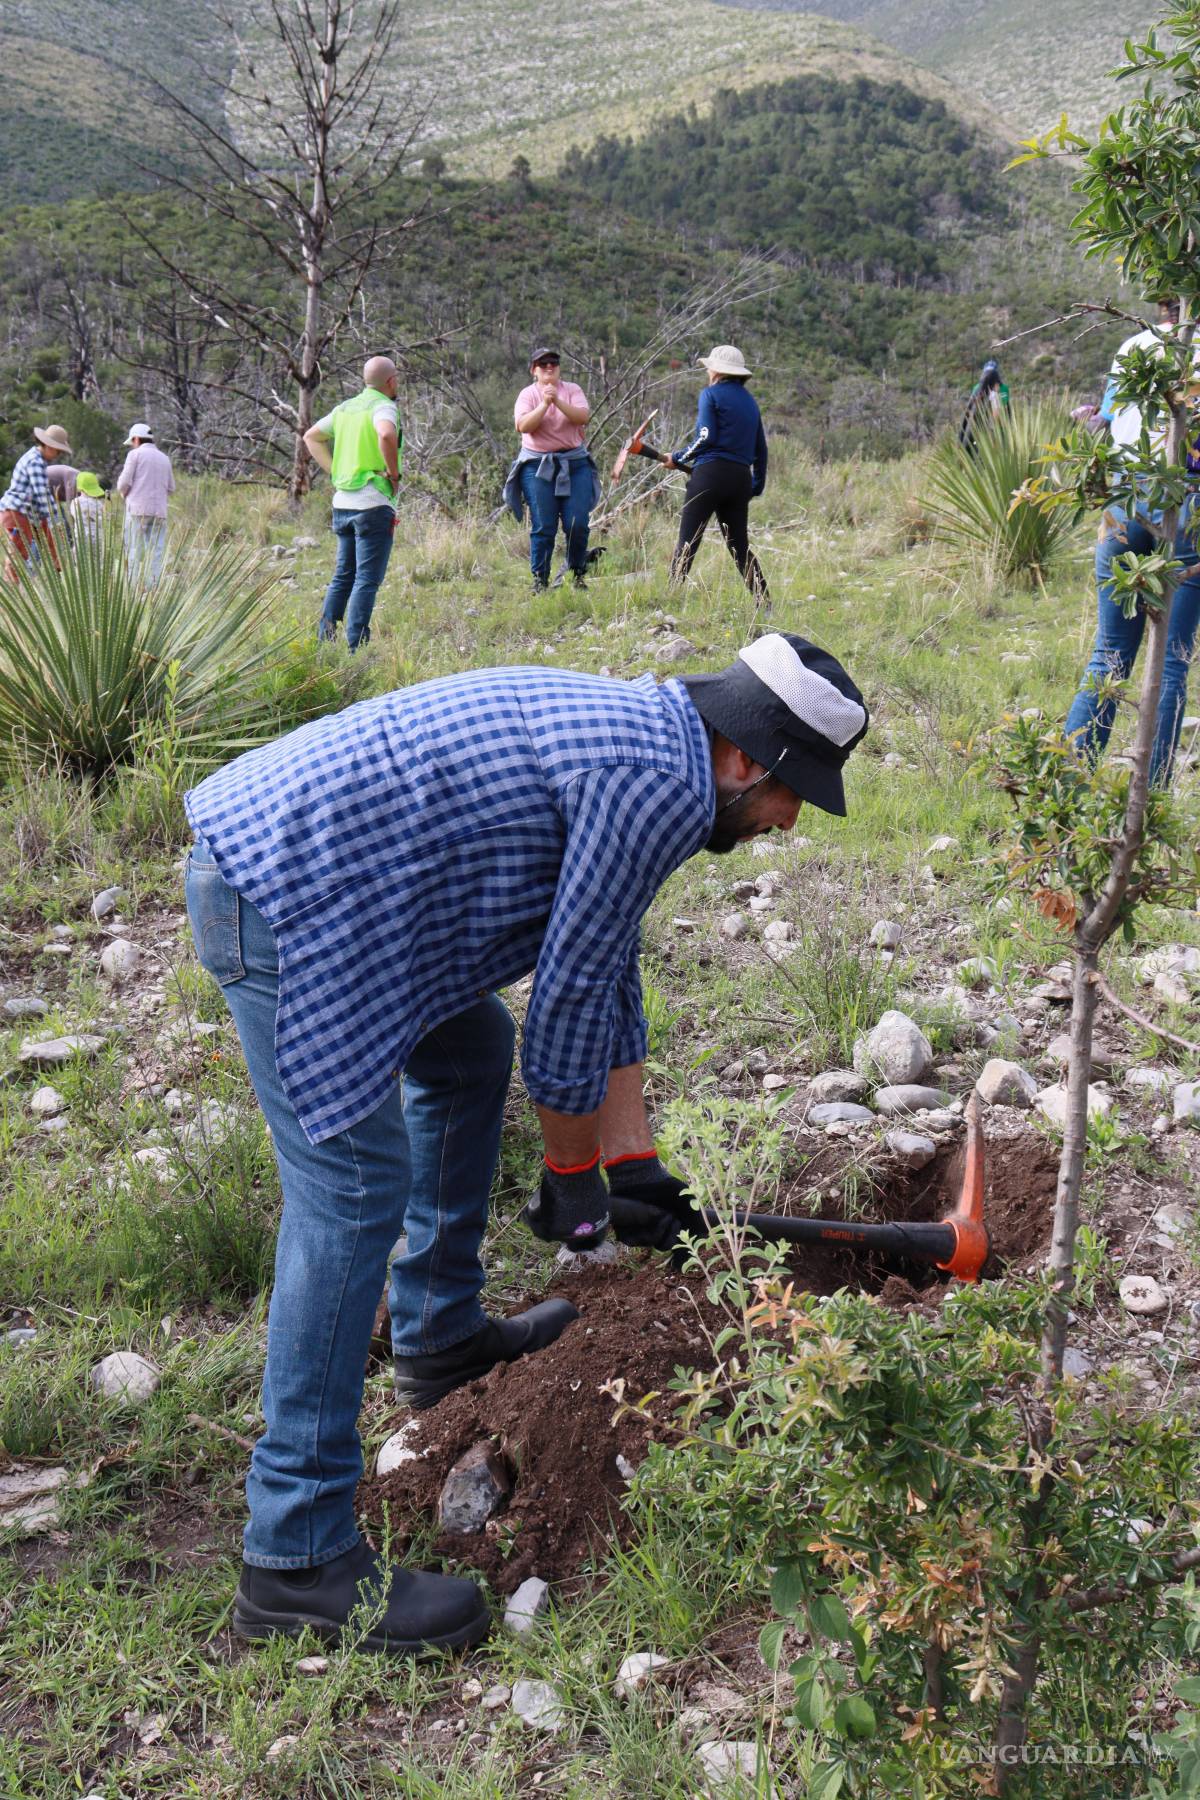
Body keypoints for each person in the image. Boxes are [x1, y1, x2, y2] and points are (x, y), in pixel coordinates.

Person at [183, 632, 868, 1654]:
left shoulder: (658, 743)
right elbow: (570, 1004)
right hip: (285, 897)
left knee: (469, 1052)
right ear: (743, 760)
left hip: (333, 888)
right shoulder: (658, 782)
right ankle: (295, 1555)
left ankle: (437, 1334)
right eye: (791, 792)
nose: (790, 820)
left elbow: (606, 955)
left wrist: (631, 1163)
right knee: (355, 1192)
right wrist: (573, 1177)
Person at [1063, 299, 1200, 788]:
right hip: (1187, 499)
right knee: (1171, 661)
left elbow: (1108, 420)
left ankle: (1069, 786)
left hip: (1125, 498)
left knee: (1108, 654)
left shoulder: (1133, 345)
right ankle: (1152, 795)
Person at [305, 355, 402, 651]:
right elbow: (386, 433)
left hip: (343, 503)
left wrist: (335, 472)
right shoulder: (383, 406)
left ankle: (325, 640)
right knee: (366, 579)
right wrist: (394, 475)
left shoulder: (345, 408)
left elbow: (312, 437)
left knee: (343, 575)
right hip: (373, 503)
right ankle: (355, 648)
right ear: (391, 381)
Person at [666, 345, 769, 604]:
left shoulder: (710, 394)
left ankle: (670, 599)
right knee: (739, 546)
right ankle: (764, 602)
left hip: (709, 474)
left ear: (716, 371)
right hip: (740, 479)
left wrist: (677, 457)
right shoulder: (751, 403)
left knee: (688, 541)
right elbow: (761, 449)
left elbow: (706, 437)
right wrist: (755, 486)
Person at [508, 346, 599, 592]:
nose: (549, 367)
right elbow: (523, 426)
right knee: (544, 525)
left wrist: (556, 400)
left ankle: (577, 574)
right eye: (543, 364)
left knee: (577, 523)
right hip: (537, 466)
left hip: (574, 464)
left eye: (553, 363)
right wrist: (544, 404)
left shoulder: (572, 390)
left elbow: (582, 417)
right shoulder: (527, 395)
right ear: (533, 370)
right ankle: (540, 580)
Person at [0, 424, 70, 581]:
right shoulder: (35, 462)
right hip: (17, 512)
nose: (58, 455)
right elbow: (42, 494)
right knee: (18, 554)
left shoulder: (37, 459)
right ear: (49, 446)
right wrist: (56, 519)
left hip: (29, 513)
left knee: (52, 542)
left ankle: (58, 578)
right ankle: (11, 588)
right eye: (58, 450)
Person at [117, 423, 175, 585]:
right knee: (156, 552)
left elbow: (123, 483)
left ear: (136, 439)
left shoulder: (134, 455)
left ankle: (132, 588)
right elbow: (171, 488)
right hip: (159, 512)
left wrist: (124, 493)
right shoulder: (164, 458)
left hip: (137, 510)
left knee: (133, 550)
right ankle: (153, 589)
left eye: (132, 441)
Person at [958, 358, 1011, 456]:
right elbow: (1003, 410)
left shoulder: (979, 388)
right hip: (990, 431)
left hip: (977, 430)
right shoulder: (999, 389)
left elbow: (969, 412)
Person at [70, 471, 108, 547]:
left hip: (81, 539)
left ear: (79, 488)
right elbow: (104, 519)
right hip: (98, 539)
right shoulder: (98, 503)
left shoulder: (74, 502)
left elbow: (74, 516)